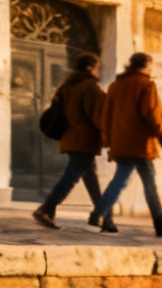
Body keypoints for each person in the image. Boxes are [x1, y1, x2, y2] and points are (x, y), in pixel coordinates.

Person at [91, 52, 162, 237]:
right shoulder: (146, 85)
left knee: (128, 181)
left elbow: (106, 116)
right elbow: (153, 116)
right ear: (146, 66)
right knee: (141, 183)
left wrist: (108, 140)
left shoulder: (115, 86)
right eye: (150, 65)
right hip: (140, 145)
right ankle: (98, 215)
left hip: (122, 143)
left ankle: (157, 222)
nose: (151, 69)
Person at [31, 53, 106, 230]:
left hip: (70, 138)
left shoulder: (68, 86)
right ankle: (46, 209)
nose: (99, 71)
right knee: (71, 176)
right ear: (89, 68)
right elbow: (99, 116)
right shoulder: (90, 87)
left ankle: (103, 213)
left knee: (90, 176)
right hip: (84, 140)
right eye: (97, 67)